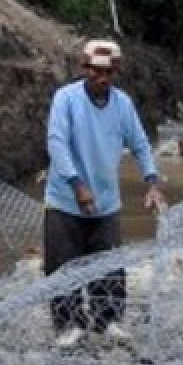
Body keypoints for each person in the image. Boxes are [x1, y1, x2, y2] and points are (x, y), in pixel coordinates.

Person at [45, 39, 165, 348]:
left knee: (109, 262)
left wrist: (151, 182)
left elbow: (139, 143)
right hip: (65, 198)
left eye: (109, 72)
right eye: (96, 71)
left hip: (106, 200)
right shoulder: (66, 99)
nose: (103, 78)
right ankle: (68, 324)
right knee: (63, 263)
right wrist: (77, 185)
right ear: (84, 69)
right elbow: (57, 142)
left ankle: (107, 319)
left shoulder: (122, 104)